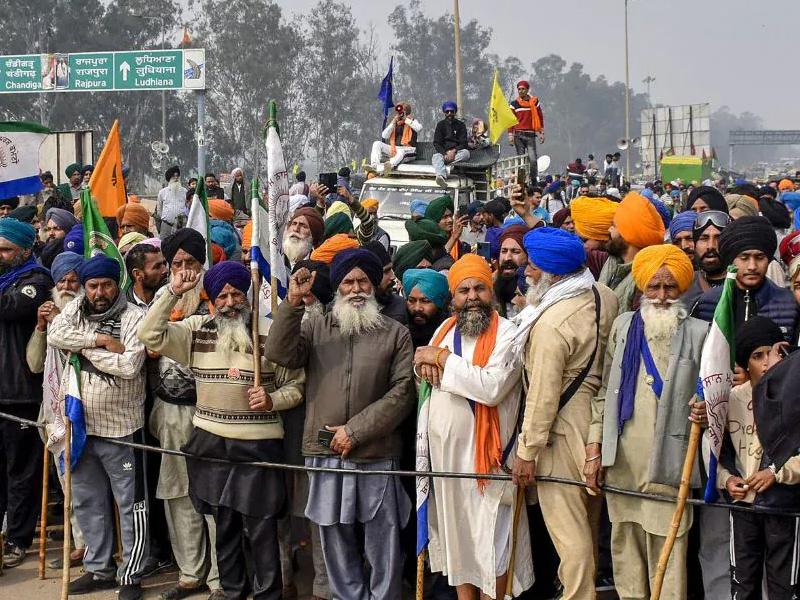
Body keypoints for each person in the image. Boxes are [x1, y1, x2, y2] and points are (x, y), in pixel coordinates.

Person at [138, 260, 305, 600]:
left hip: (258, 448)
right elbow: (149, 334)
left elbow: (297, 387)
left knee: (262, 530)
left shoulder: (270, 332)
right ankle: (232, 592)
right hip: (211, 445)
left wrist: (272, 400)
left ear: (247, 295)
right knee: (224, 528)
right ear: (211, 301)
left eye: (236, 294)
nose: (229, 303)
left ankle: (268, 595)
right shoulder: (196, 329)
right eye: (221, 297)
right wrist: (174, 292)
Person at [266, 248, 414, 600]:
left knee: (383, 539)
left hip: (376, 452)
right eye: (348, 281)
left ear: (375, 285)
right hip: (325, 449)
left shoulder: (396, 333)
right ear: (338, 287)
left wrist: (355, 431)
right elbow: (278, 352)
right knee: (334, 538)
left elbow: (403, 391)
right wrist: (293, 302)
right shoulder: (316, 326)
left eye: (363, 280)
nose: (356, 288)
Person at [586, 244, 708, 600]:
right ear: (641, 288)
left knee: (669, 559)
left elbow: (716, 396)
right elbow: (605, 391)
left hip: (671, 467)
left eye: (670, 287)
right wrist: (595, 448)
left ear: (682, 288)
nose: (661, 296)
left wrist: (706, 410)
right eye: (653, 287)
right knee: (626, 554)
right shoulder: (624, 325)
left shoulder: (700, 333)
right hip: (623, 462)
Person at [414, 254, 533, 599]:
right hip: (448, 468)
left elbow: (491, 388)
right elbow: (426, 375)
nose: (472, 296)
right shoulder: (444, 329)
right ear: (453, 298)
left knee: (494, 555)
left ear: (491, 291)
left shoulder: (508, 335)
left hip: (489, 469)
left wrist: (442, 361)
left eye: (480, 287)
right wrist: (427, 361)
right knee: (460, 551)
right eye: (463, 290)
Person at [511, 227, 619, 600]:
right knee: (587, 528)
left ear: (552, 273)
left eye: (533, 267)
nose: (527, 272)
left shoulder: (551, 325)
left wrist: (527, 452)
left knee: (569, 535)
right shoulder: (603, 296)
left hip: (561, 434)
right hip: (599, 428)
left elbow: (542, 396)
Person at [47, 255, 148, 600]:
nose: (99, 292)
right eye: (92, 286)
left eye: (106, 284)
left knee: (130, 505)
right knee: (88, 502)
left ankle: (130, 575)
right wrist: (100, 343)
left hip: (122, 427)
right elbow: (56, 333)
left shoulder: (135, 316)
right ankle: (98, 569)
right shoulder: (78, 308)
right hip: (81, 426)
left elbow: (130, 365)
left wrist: (83, 350)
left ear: (116, 283)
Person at [720, 316, 800, 600]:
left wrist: (776, 473)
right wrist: (727, 480)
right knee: (743, 584)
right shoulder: (730, 401)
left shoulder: (796, 397)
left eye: (774, 352)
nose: (767, 363)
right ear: (744, 363)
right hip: (744, 507)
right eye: (757, 356)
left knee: (785, 587)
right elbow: (716, 454)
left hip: (784, 506)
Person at [26, 252, 85, 568]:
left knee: (87, 483)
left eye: (73, 280)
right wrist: (40, 327)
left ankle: (94, 546)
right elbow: (35, 364)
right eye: (61, 280)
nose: (67, 285)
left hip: (86, 413)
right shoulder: (47, 316)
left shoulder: (87, 317)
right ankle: (79, 543)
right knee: (67, 483)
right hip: (53, 416)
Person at [0, 219, 53, 568]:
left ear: (25, 250)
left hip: (21, 392)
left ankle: (18, 540)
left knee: (21, 472)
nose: (0, 256)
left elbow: (8, 307)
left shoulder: (37, 280)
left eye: (5, 249)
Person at [692, 216, 798, 342]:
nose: (752, 266)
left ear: (769, 260)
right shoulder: (707, 303)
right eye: (744, 258)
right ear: (730, 260)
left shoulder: (789, 304)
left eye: (759, 257)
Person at [599, 192, 666, 313]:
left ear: (628, 234)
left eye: (614, 225)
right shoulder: (613, 261)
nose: (609, 230)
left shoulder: (646, 280)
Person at [682, 211, 731, 310]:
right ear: (695, 245)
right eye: (704, 238)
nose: (711, 246)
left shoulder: (742, 284)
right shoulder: (684, 286)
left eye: (718, 238)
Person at [366, 102, 422, 175]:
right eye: (398, 112)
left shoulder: (412, 120)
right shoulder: (395, 122)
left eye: (402, 111)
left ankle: (390, 165)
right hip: (394, 149)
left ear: (406, 112)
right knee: (377, 144)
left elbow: (419, 128)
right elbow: (384, 135)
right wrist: (393, 123)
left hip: (409, 149)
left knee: (401, 151)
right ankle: (374, 166)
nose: (400, 113)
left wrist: (406, 120)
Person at [403, 268, 450, 349]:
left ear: (440, 304)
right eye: (412, 300)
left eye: (425, 301)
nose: (417, 308)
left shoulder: (451, 334)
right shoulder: (401, 336)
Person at [364, 240, 408, 325]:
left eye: (391, 270)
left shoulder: (402, 308)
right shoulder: (343, 308)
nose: (393, 277)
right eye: (386, 271)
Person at [508, 81, 545, 179]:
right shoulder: (514, 104)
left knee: (533, 160)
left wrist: (541, 133)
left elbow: (540, 117)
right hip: (518, 136)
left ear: (527, 90)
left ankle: (533, 181)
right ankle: (521, 182)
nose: (521, 91)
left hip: (530, 136)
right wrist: (510, 135)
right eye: (519, 89)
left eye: (523, 89)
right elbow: (510, 121)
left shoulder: (535, 102)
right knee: (520, 161)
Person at [495, 224, 530, 318]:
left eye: (515, 252)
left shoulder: (536, 293)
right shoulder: (489, 287)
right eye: (504, 251)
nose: (507, 258)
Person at [432, 101, 469, 188]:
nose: (449, 114)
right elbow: (436, 143)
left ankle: (443, 165)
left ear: (455, 112)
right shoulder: (440, 125)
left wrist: (454, 151)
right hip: (444, 154)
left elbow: (464, 142)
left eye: (451, 111)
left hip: (457, 153)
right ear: (444, 113)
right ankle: (441, 176)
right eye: (447, 111)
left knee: (466, 153)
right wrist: (445, 154)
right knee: (436, 157)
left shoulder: (461, 125)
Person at [124, 243, 168, 309]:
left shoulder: (172, 297)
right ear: (137, 274)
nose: (165, 270)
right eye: (157, 267)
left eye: (164, 264)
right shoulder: (124, 308)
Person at [157, 166, 188, 239]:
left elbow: (187, 207)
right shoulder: (162, 192)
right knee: (164, 246)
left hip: (181, 226)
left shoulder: (185, 191)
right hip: (166, 225)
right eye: (173, 176)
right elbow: (159, 209)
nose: (176, 178)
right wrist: (166, 219)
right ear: (169, 178)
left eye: (177, 176)